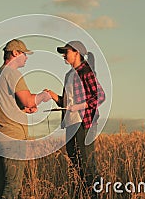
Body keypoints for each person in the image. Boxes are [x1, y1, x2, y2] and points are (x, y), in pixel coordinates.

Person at [0, 39, 50, 199]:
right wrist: (43, 96)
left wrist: (23, 109)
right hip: (12, 138)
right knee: (12, 188)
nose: (26, 58)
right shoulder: (12, 73)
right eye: (24, 54)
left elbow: (8, 105)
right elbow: (29, 100)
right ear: (15, 53)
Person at [44, 40, 105, 197]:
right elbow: (66, 103)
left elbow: (100, 96)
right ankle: (85, 193)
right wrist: (52, 95)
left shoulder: (86, 72)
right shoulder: (69, 75)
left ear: (77, 53)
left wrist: (78, 106)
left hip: (84, 122)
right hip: (71, 123)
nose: (64, 55)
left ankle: (95, 194)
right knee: (74, 159)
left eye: (67, 52)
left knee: (86, 162)